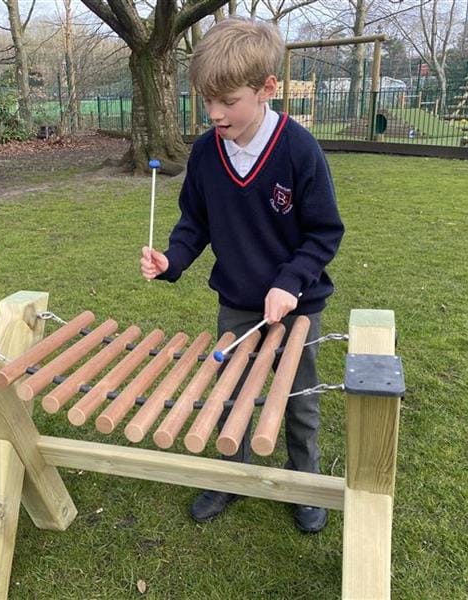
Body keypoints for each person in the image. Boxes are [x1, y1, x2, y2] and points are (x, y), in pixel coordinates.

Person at [140, 17, 344, 534]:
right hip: (236, 303)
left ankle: (305, 481)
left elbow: (324, 233)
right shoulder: (208, 151)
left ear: (266, 89)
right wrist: (172, 260)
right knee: (233, 396)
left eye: (227, 101)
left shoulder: (299, 150)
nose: (214, 114)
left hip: (297, 307)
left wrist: (290, 282)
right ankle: (232, 475)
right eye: (206, 101)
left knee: (297, 400)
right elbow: (195, 222)